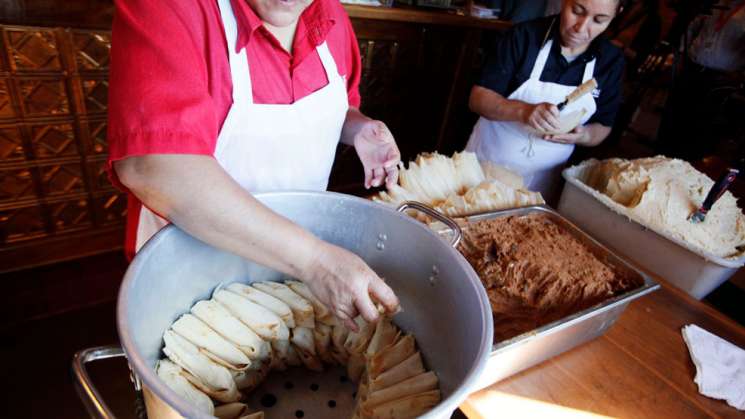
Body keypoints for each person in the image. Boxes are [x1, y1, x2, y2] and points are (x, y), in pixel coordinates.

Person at [106, 0, 401, 330]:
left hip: (296, 266)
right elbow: (154, 166)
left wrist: (358, 128)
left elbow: (336, 105)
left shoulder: (331, 15)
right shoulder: (170, 8)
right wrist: (315, 261)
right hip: (191, 279)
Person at [465, 0, 625, 203]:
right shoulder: (523, 37)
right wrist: (522, 111)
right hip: (483, 169)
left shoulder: (610, 61)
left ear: (616, 15)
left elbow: (603, 126)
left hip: (542, 186)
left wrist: (583, 135)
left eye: (599, 20)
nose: (581, 28)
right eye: (576, 11)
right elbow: (478, 99)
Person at [656, 0, 745, 161]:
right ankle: (657, 162)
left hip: (719, 81)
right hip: (692, 70)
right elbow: (694, 26)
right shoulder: (719, 2)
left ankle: (681, 172)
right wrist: (681, 54)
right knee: (672, 122)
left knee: (696, 132)